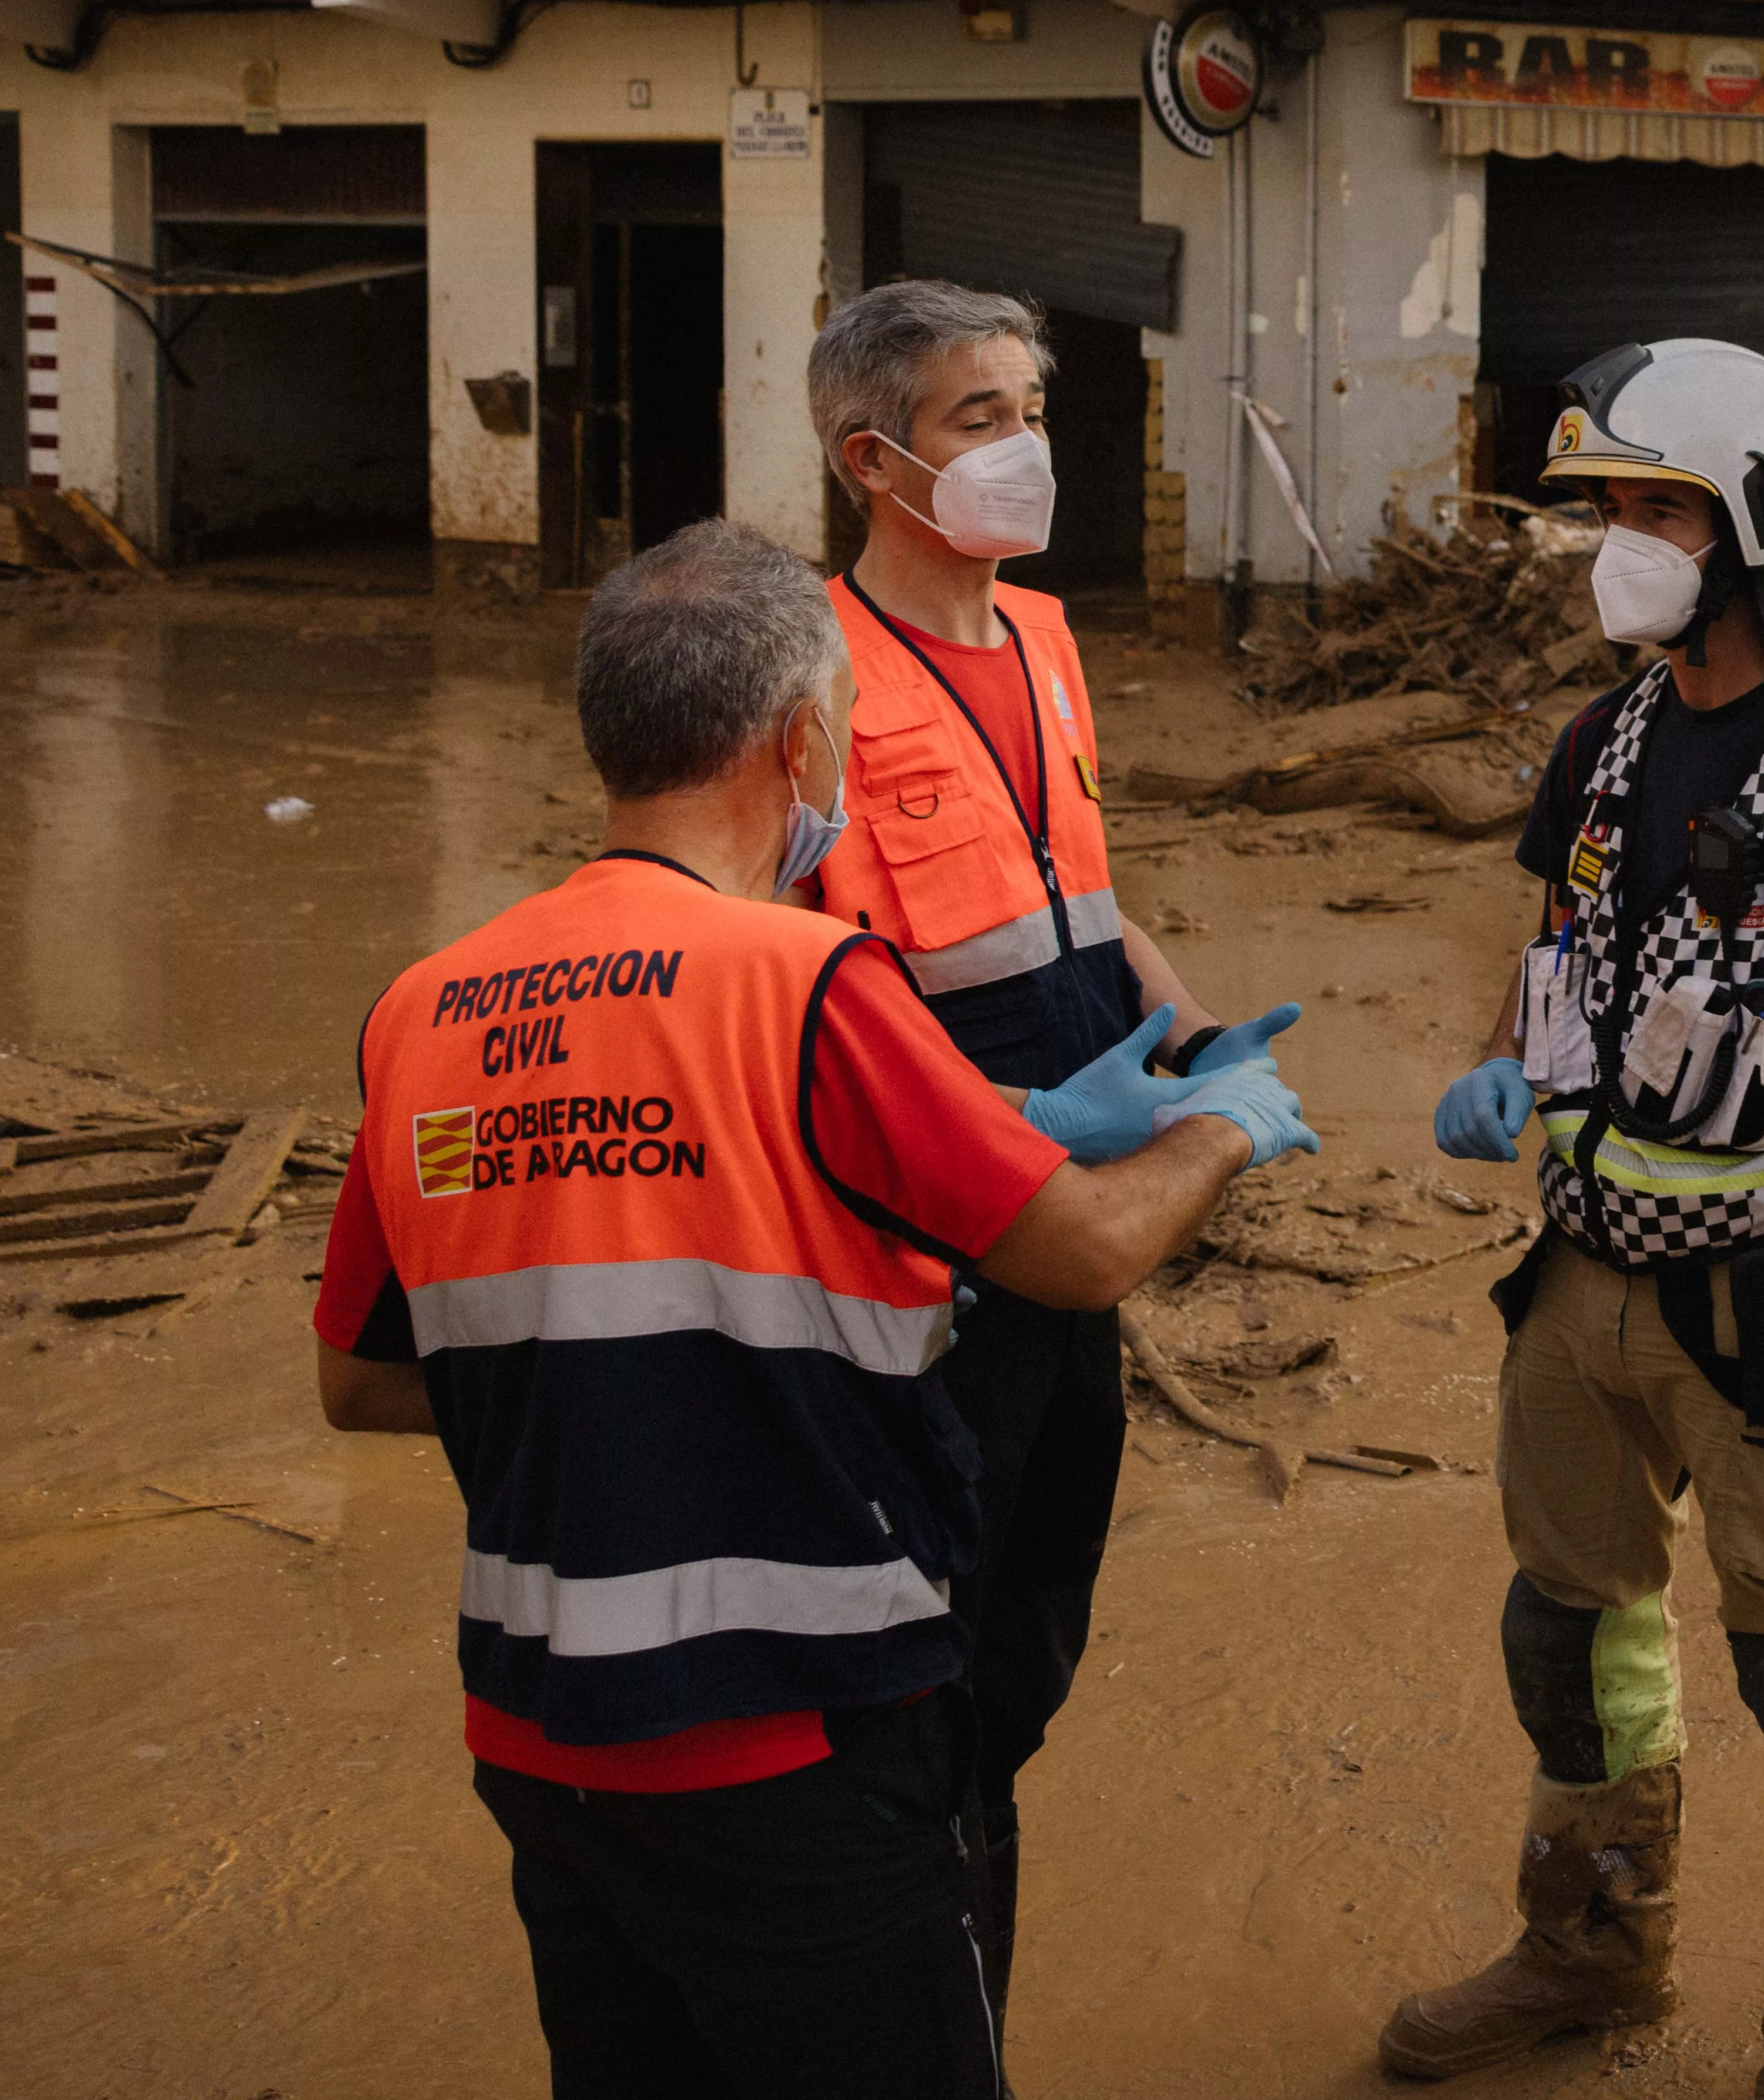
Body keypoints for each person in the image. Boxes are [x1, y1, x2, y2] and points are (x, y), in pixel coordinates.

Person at [308, 519, 1316, 2100]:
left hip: (538, 1740)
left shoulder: (421, 1007)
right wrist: (1220, 1121)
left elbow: (360, 1382)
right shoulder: (813, 985)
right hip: (797, 1739)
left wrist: (618, 1373)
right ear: (803, 741)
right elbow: (1090, 1254)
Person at [1381, 340, 1764, 2100]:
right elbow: (1559, 955)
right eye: (1606, 509)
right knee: (1570, 1634)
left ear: (1753, 523)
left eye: (1653, 508)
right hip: (1579, 1286)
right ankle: (1591, 1948)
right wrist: (1505, 1066)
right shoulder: (1604, 741)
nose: (1612, 544)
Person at [801, 279, 1292, 2032]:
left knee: (1025, 1630)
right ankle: (930, 1985)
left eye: (1032, 408)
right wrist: (997, 1156)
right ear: (875, 462)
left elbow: (1082, 892)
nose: (1030, 450)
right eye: (981, 420)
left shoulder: (1048, 643)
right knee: (924, 1653)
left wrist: (1189, 1037)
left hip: (1073, 1228)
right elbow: (808, 1000)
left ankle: (955, 1892)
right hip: (932, 1252)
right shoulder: (812, 690)